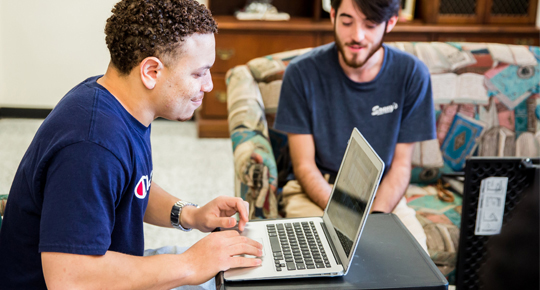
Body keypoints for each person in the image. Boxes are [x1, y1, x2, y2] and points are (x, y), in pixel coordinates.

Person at [0, 0, 262, 289]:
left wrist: (189, 214)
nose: (209, 85)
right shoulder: (91, 146)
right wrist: (190, 264)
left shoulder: (117, 100)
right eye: (198, 73)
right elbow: (69, 279)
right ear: (151, 71)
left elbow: (132, 187)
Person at [274, 0, 435, 248]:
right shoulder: (301, 73)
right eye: (347, 22)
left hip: (379, 194)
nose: (356, 35)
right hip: (317, 190)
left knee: (415, 267)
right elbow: (304, 166)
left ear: (390, 23)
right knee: (328, 264)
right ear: (333, 16)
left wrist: (376, 219)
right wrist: (347, 216)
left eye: (370, 25)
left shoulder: (412, 74)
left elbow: (402, 166)